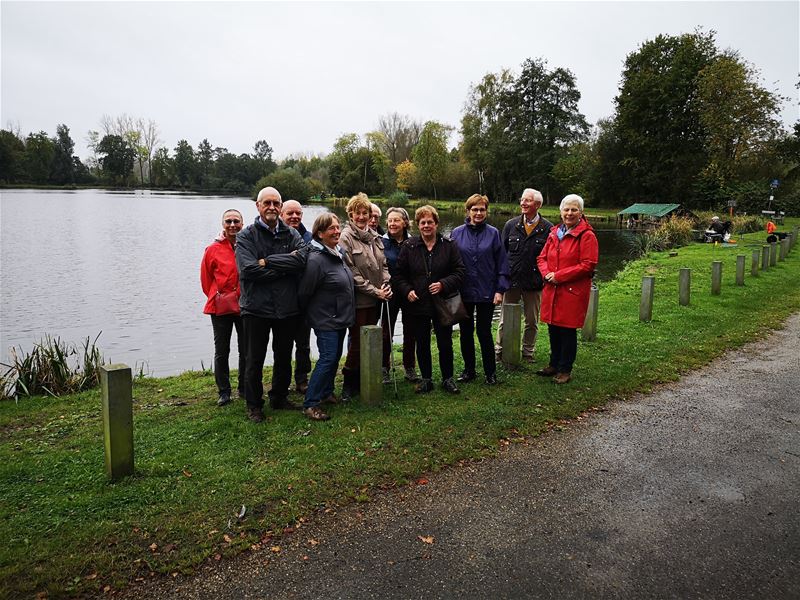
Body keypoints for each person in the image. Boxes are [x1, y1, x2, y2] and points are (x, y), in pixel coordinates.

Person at [236, 186, 307, 423]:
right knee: (253, 358)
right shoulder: (246, 236)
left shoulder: (290, 233)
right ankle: (254, 405)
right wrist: (283, 270)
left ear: (281, 205)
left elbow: (303, 259)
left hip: (286, 308)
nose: (272, 208)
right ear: (257, 206)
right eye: (267, 203)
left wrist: (268, 262)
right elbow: (248, 270)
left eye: (276, 203)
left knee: (283, 355)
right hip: (256, 307)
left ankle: (279, 396)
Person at [393, 205, 465, 394]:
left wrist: (443, 284)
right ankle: (426, 379)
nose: (426, 226)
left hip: (442, 303)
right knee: (422, 342)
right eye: (422, 222)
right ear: (417, 225)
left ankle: (448, 378)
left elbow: (460, 272)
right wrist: (407, 290)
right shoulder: (409, 247)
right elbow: (398, 275)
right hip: (418, 303)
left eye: (430, 222)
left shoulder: (449, 245)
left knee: (445, 343)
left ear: (436, 224)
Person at [298, 213, 355, 421]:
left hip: (340, 317)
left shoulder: (337, 252)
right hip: (326, 319)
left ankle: (326, 391)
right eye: (331, 228)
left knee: (333, 358)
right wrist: (318, 313)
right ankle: (311, 403)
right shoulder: (316, 259)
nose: (337, 231)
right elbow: (305, 292)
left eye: (338, 227)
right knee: (328, 358)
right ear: (320, 233)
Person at [536, 194, 599, 385]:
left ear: (581, 212)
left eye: (574, 209)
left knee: (567, 331)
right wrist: (547, 273)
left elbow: (588, 265)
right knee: (553, 328)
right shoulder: (555, 232)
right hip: (552, 288)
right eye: (566, 209)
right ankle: (553, 364)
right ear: (561, 211)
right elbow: (542, 258)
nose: (569, 213)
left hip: (571, 291)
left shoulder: (587, 235)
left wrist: (559, 276)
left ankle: (565, 369)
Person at [337, 193, 392, 401]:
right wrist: (374, 290)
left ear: (370, 215)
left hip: (377, 299)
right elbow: (352, 273)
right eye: (357, 213)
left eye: (365, 213)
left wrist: (386, 284)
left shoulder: (376, 236)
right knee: (358, 341)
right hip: (358, 300)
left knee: (371, 339)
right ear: (350, 214)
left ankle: (365, 378)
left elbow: (383, 265)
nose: (361, 217)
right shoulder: (345, 238)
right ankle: (349, 384)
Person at [451, 194, 509, 385]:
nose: (478, 213)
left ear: (486, 211)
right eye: (474, 209)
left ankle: (490, 373)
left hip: (487, 291)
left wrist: (500, 290)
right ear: (467, 211)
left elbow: (502, 263)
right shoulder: (457, 233)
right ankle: (469, 370)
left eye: (482, 209)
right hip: (464, 291)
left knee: (484, 332)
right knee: (466, 331)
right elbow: (451, 262)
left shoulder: (493, 233)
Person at [495, 188, 553, 362]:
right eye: (522, 200)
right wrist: (500, 278)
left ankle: (528, 352)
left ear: (537, 204)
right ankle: (500, 350)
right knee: (505, 319)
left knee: (531, 321)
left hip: (534, 283)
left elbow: (550, 257)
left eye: (527, 201)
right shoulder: (511, 225)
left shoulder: (547, 228)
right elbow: (502, 254)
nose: (522, 203)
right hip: (511, 281)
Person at [200, 209, 247, 406]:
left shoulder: (247, 245)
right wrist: (219, 296)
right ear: (223, 225)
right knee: (222, 350)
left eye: (236, 221)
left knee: (246, 349)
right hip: (220, 307)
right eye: (228, 221)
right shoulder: (212, 249)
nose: (232, 225)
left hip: (245, 306)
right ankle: (224, 391)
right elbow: (206, 280)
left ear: (242, 224)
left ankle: (244, 388)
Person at [381, 207, 419, 383]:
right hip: (389, 292)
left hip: (409, 292)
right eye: (389, 220)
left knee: (410, 330)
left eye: (396, 220)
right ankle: (384, 367)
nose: (392, 224)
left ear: (405, 222)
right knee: (386, 331)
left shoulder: (413, 242)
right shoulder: (381, 242)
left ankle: (409, 367)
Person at [280, 200, 312, 394]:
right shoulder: (276, 235)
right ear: (282, 214)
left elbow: (310, 263)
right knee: (282, 345)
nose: (294, 217)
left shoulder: (309, 237)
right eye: (290, 213)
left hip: (303, 300)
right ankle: (282, 382)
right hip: (281, 299)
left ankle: (302, 379)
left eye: (298, 213)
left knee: (303, 344)